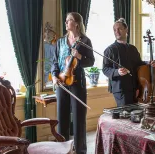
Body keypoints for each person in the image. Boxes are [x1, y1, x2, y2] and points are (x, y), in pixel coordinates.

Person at [51, 12, 94, 154]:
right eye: (66, 20)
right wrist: (54, 76)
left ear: (76, 23)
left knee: (78, 118)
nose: (66, 23)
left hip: (77, 82)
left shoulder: (85, 41)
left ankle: (80, 150)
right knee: (62, 117)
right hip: (62, 82)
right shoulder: (60, 42)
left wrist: (79, 56)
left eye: (69, 20)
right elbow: (55, 62)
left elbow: (91, 61)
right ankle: (62, 149)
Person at [103, 18, 155, 107]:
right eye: (114, 30)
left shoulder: (132, 49)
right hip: (120, 88)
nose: (117, 31)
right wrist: (117, 72)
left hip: (134, 87)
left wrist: (149, 62)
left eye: (119, 29)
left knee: (135, 113)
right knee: (126, 113)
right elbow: (105, 69)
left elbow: (139, 64)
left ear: (126, 29)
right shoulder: (110, 50)